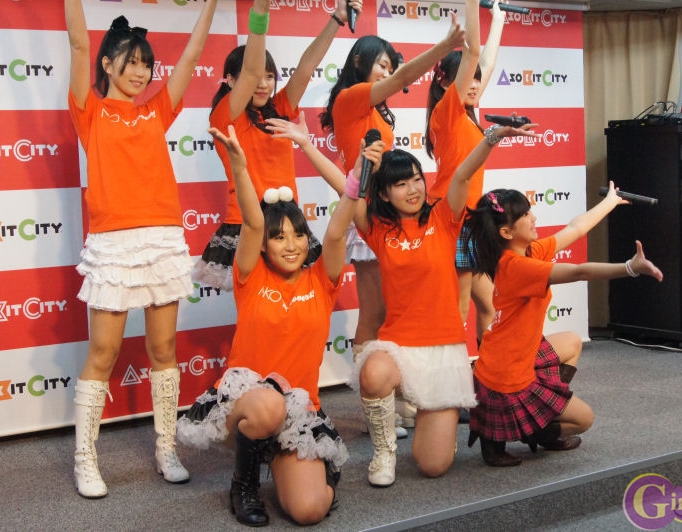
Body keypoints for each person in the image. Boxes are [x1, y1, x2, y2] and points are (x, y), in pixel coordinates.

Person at [177, 121, 384, 527]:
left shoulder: (321, 279)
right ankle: (244, 486)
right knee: (269, 404)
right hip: (250, 404)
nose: (291, 245)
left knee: (310, 510)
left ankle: (305, 466)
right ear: (264, 245)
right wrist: (240, 168)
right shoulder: (250, 275)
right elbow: (253, 223)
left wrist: (358, 178)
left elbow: (337, 232)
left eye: (298, 235)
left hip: (299, 412)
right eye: (279, 237)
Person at [64, 0, 217, 498]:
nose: (140, 72)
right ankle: (85, 459)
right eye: (130, 62)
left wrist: (212, 5)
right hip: (113, 243)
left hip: (162, 239)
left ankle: (166, 448)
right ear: (107, 65)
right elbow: (79, 43)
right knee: (104, 351)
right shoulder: (89, 110)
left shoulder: (156, 109)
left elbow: (192, 55)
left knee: (164, 349)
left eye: (146, 64)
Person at [347, 122, 539, 487]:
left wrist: (493, 137)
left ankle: (436, 425)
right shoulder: (378, 230)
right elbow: (349, 197)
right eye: (401, 184)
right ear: (384, 194)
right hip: (399, 347)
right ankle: (384, 451)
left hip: (444, 352)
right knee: (373, 371)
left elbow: (464, 173)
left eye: (416, 179)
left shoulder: (443, 216)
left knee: (433, 465)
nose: (413, 189)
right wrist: (359, 167)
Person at [319, 16, 466, 431]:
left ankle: (400, 398)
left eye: (389, 66)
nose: (387, 72)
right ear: (359, 62)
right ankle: (376, 410)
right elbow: (404, 78)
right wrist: (446, 46)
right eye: (380, 64)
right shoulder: (351, 98)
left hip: (384, 211)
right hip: (366, 212)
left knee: (392, 309)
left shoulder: (372, 108)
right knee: (374, 311)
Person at [463, 184, 664, 466]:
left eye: (529, 211)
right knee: (584, 420)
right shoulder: (517, 267)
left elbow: (575, 228)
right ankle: (524, 430)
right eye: (525, 215)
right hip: (506, 373)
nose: (533, 218)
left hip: (515, 354)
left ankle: (539, 417)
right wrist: (630, 267)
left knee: (571, 341)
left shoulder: (529, 251)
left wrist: (610, 202)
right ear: (506, 232)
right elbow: (579, 271)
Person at [193, 0, 363, 290]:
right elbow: (250, 71)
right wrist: (261, 10)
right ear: (230, 80)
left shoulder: (280, 108)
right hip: (249, 225)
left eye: (269, 76)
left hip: (287, 222)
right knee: (257, 304)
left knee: (290, 300)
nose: (263, 84)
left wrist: (337, 18)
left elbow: (307, 68)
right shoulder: (227, 114)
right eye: (256, 77)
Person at [425, 0, 507, 345]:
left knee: (489, 305)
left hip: (472, 219)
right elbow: (474, 55)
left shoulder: (469, 111)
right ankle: (448, 374)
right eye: (467, 79)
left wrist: (498, 19)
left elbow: (484, 63)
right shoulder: (447, 113)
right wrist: (473, 7)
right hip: (450, 218)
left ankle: (487, 371)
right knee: (457, 309)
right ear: (444, 81)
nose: (475, 85)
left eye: (477, 81)